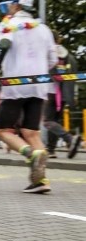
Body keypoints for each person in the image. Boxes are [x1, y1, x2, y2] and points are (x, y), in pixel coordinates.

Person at [0, 0, 56, 193]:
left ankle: (30, 154)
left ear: (15, 6)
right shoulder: (44, 29)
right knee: (31, 132)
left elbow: (3, 45)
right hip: (40, 85)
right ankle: (40, 181)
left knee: (3, 130)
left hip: (15, 84)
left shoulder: (7, 24)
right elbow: (53, 59)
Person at [44, 30, 81, 159]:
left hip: (50, 91)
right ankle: (51, 150)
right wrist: (73, 94)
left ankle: (69, 139)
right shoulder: (68, 55)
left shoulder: (48, 52)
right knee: (55, 121)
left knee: (47, 121)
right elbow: (73, 75)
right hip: (65, 92)